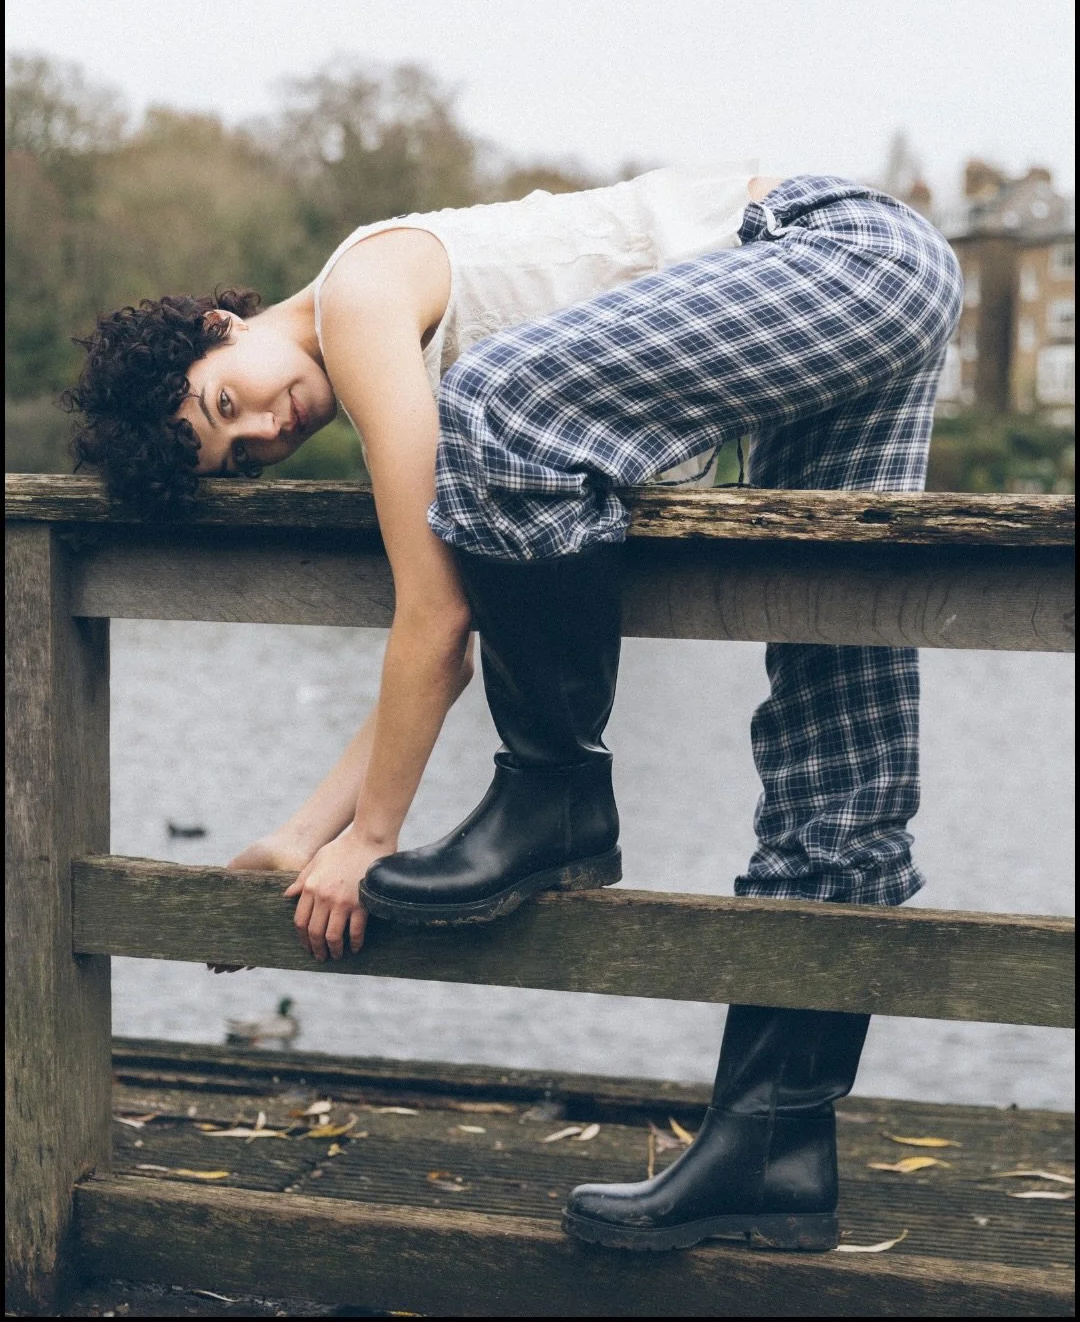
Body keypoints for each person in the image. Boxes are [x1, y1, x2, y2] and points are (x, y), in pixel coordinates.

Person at [65, 166, 962, 1254]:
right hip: (857, 309)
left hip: (839, 250)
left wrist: (377, 838)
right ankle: (774, 1151)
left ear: (221, 322)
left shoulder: (355, 297)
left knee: (501, 402)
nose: (262, 428)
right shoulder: (376, 376)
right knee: (838, 732)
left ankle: (557, 803)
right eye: (239, 454)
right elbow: (447, 634)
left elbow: (432, 618)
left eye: (224, 400)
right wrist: (308, 837)